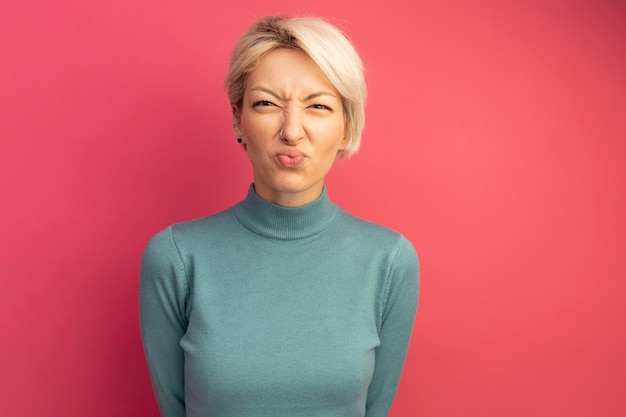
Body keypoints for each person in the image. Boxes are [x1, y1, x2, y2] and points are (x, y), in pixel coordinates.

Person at [140, 15, 419, 417]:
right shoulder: (176, 257)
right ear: (238, 118)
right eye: (267, 103)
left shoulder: (389, 261)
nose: (292, 131)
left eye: (318, 106)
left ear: (346, 127)